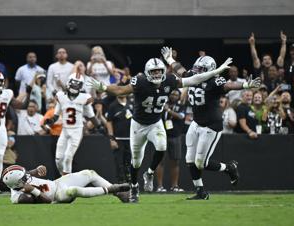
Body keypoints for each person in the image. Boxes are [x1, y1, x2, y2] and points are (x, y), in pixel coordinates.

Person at [89, 47, 234, 202]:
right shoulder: (141, 81)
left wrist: (215, 71)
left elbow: (193, 79)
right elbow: (120, 90)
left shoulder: (169, 80)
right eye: (154, 72)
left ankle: (150, 173)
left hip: (155, 122)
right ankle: (134, 188)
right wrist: (103, 87)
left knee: (162, 146)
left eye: (159, 71)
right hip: (138, 124)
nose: (157, 74)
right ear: (147, 73)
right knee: (136, 161)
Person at [164, 52, 261, 200]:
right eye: (197, 68)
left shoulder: (215, 81)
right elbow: (181, 70)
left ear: (210, 69)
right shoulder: (194, 75)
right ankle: (200, 192)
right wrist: (169, 59)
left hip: (211, 125)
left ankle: (229, 168)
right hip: (196, 122)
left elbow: (229, 85)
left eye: (201, 69)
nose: (197, 71)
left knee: (200, 163)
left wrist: (246, 84)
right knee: (190, 159)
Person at [44, 74, 101, 175]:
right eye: (73, 84)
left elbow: (91, 116)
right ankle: (64, 177)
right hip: (65, 131)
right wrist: (50, 121)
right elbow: (56, 116)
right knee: (58, 158)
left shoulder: (84, 98)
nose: (75, 87)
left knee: (68, 157)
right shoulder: (61, 96)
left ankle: (67, 181)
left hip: (77, 130)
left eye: (77, 85)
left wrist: (100, 127)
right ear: (69, 83)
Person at [2, 165, 130, 204]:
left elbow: (26, 173)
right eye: (23, 177)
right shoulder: (20, 198)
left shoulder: (18, 180)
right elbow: (47, 201)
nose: (27, 176)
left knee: (89, 173)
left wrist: (36, 170)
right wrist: (34, 191)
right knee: (73, 190)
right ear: (18, 183)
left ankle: (119, 193)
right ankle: (111, 189)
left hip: (57, 183)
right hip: (57, 196)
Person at [155, 89, 185, 192]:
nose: (174, 96)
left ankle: (174, 186)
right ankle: (159, 187)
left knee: (175, 161)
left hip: (175, 135)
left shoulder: (181, 106)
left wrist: (168, 110)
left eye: (176, 95)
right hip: (161, 135)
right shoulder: (161, 105)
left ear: (179, 97)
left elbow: (181, 116)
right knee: (160, 161)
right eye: (172, 94)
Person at [106, 91, 132, 183]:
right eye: (120, 90)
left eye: (124, 90)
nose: (122, 92)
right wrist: (111, 139)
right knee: (119, 163)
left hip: (131, 139)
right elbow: (109, 122)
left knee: (130, 162)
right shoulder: (113, 106)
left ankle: (131, 183)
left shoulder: (131, 103)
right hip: (118, 139)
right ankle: (121, 183)